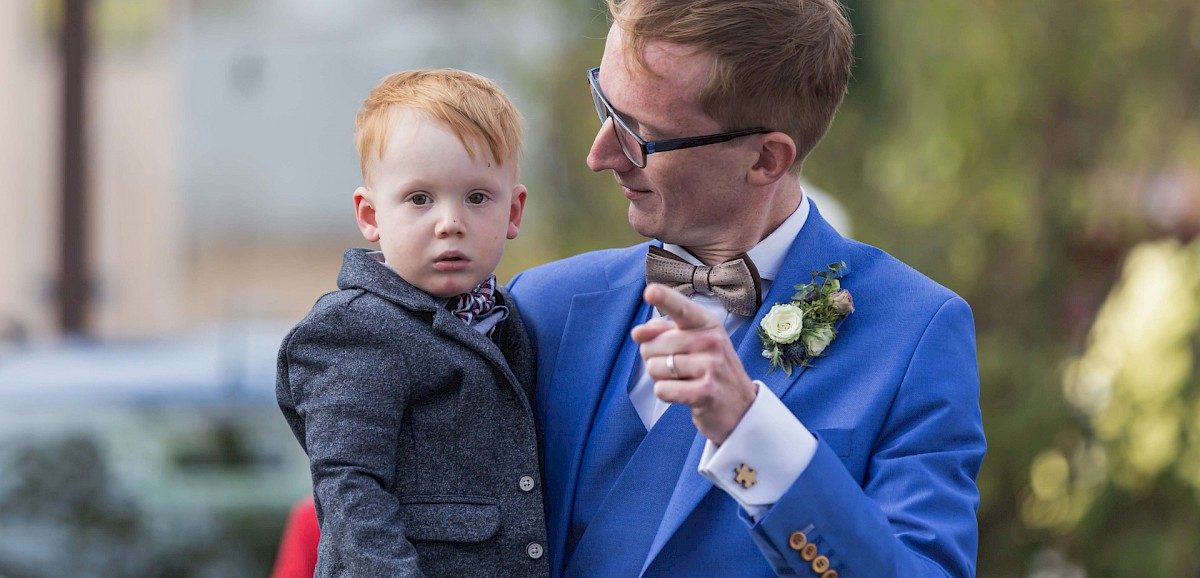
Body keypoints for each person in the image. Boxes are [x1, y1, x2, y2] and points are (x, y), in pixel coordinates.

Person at [507, 0, 986, 576]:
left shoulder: (915, 334)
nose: (600, 154)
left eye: (642, 134)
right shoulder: (540, 305)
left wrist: (753, 434)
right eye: (604, 105)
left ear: (765, 159)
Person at [276, 69, 547, 577]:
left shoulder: (510, 319)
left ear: (514, 211)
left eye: (477, 197)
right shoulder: (354, 331)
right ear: (371, 215)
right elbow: (350, 490)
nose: (450, 221)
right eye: (420, 198)